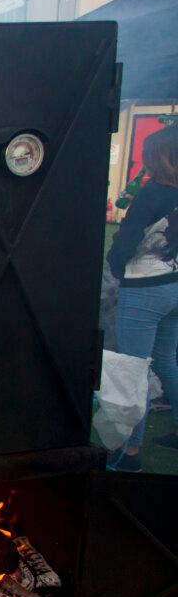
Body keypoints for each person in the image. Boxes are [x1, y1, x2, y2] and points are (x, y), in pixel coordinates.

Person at [105, 124, 178, 471]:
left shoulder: (152, 194)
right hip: (175, 284)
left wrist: (117, 266)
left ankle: (130, 453)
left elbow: (125, 241)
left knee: (132, 370)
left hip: (145, 289)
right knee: (166, 362)